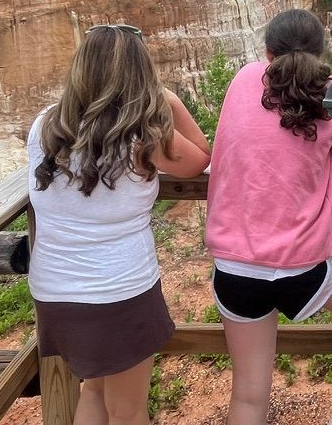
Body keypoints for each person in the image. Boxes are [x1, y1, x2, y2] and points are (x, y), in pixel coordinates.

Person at [27, 24, 211, 425]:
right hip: (117, 290)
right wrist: (171, 101)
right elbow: (200, 156)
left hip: (55, 290)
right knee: (128, 411)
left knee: (93, 389)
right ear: (140, 73)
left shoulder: (45, 125)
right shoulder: (143, 134)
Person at [205, 8, 332, 425]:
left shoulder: (244, 78)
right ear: (321, 54)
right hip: (306, 265)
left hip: (235, 268)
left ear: (265, 51)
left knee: (248, 398)